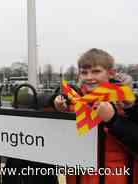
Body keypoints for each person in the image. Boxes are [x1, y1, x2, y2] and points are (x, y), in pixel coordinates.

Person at [54, 48, 137, 184]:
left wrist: (113, 121)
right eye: (84, 72)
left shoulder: (128, 103)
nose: (89, 77)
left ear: (111, 73)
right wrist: (56, 101)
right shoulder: (75, 100)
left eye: (96, 71)